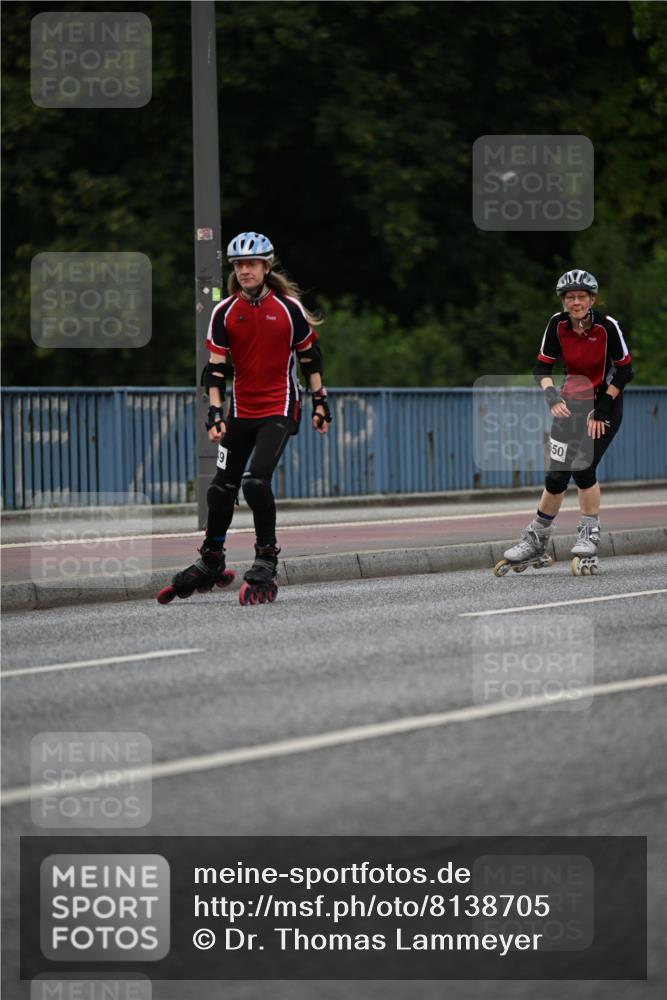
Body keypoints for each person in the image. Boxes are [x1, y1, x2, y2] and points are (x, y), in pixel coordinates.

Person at [157, 231, 331, 605]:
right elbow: (215, 371)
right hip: (242, 410)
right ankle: (211, 559)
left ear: (266, 267)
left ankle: (266, 559)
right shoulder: (224, 312)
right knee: (220, 489)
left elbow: (310, 359)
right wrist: (215, 411)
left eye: (251, 264)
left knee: (255, 483)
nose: (245, 270)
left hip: (280, 408)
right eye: (238, 265)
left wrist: (320, 402)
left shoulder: (289, 309)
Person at [496, 268, 634, 577]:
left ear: (592, 299)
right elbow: (540, 368)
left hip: (605, 405)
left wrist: (601, 410)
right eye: (570, 297)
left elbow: (625, 372)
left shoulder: (608, 327)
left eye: (581, 297)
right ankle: (535, 540)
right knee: (556, 476)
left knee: (583, 468)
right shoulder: (556, 325)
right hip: (570, 403)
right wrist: (551, 396)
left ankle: (588, 535)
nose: (575, 302)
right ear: (563, 301)